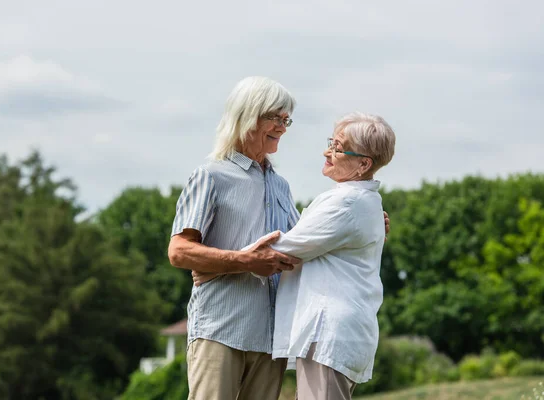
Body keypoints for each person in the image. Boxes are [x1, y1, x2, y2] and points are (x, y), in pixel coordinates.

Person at [168, 76, 303, 400]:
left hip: (272, 340)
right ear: (247, 115)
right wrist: (246, 261)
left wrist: (364, 224)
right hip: (220, 331)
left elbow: (306, 246)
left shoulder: (281, 186)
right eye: (275, 117)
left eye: (286, 120)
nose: (283, 127)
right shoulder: (211, 176)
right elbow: (179, 251)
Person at [265, 112, 395, 400]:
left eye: (338, 147)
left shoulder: (347, 203)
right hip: (337, 335)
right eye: (331, 143)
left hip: (328, 332)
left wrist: (217, 261)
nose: (328, 151)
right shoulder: (362, 201)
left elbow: (281, 250)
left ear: (364, 164)